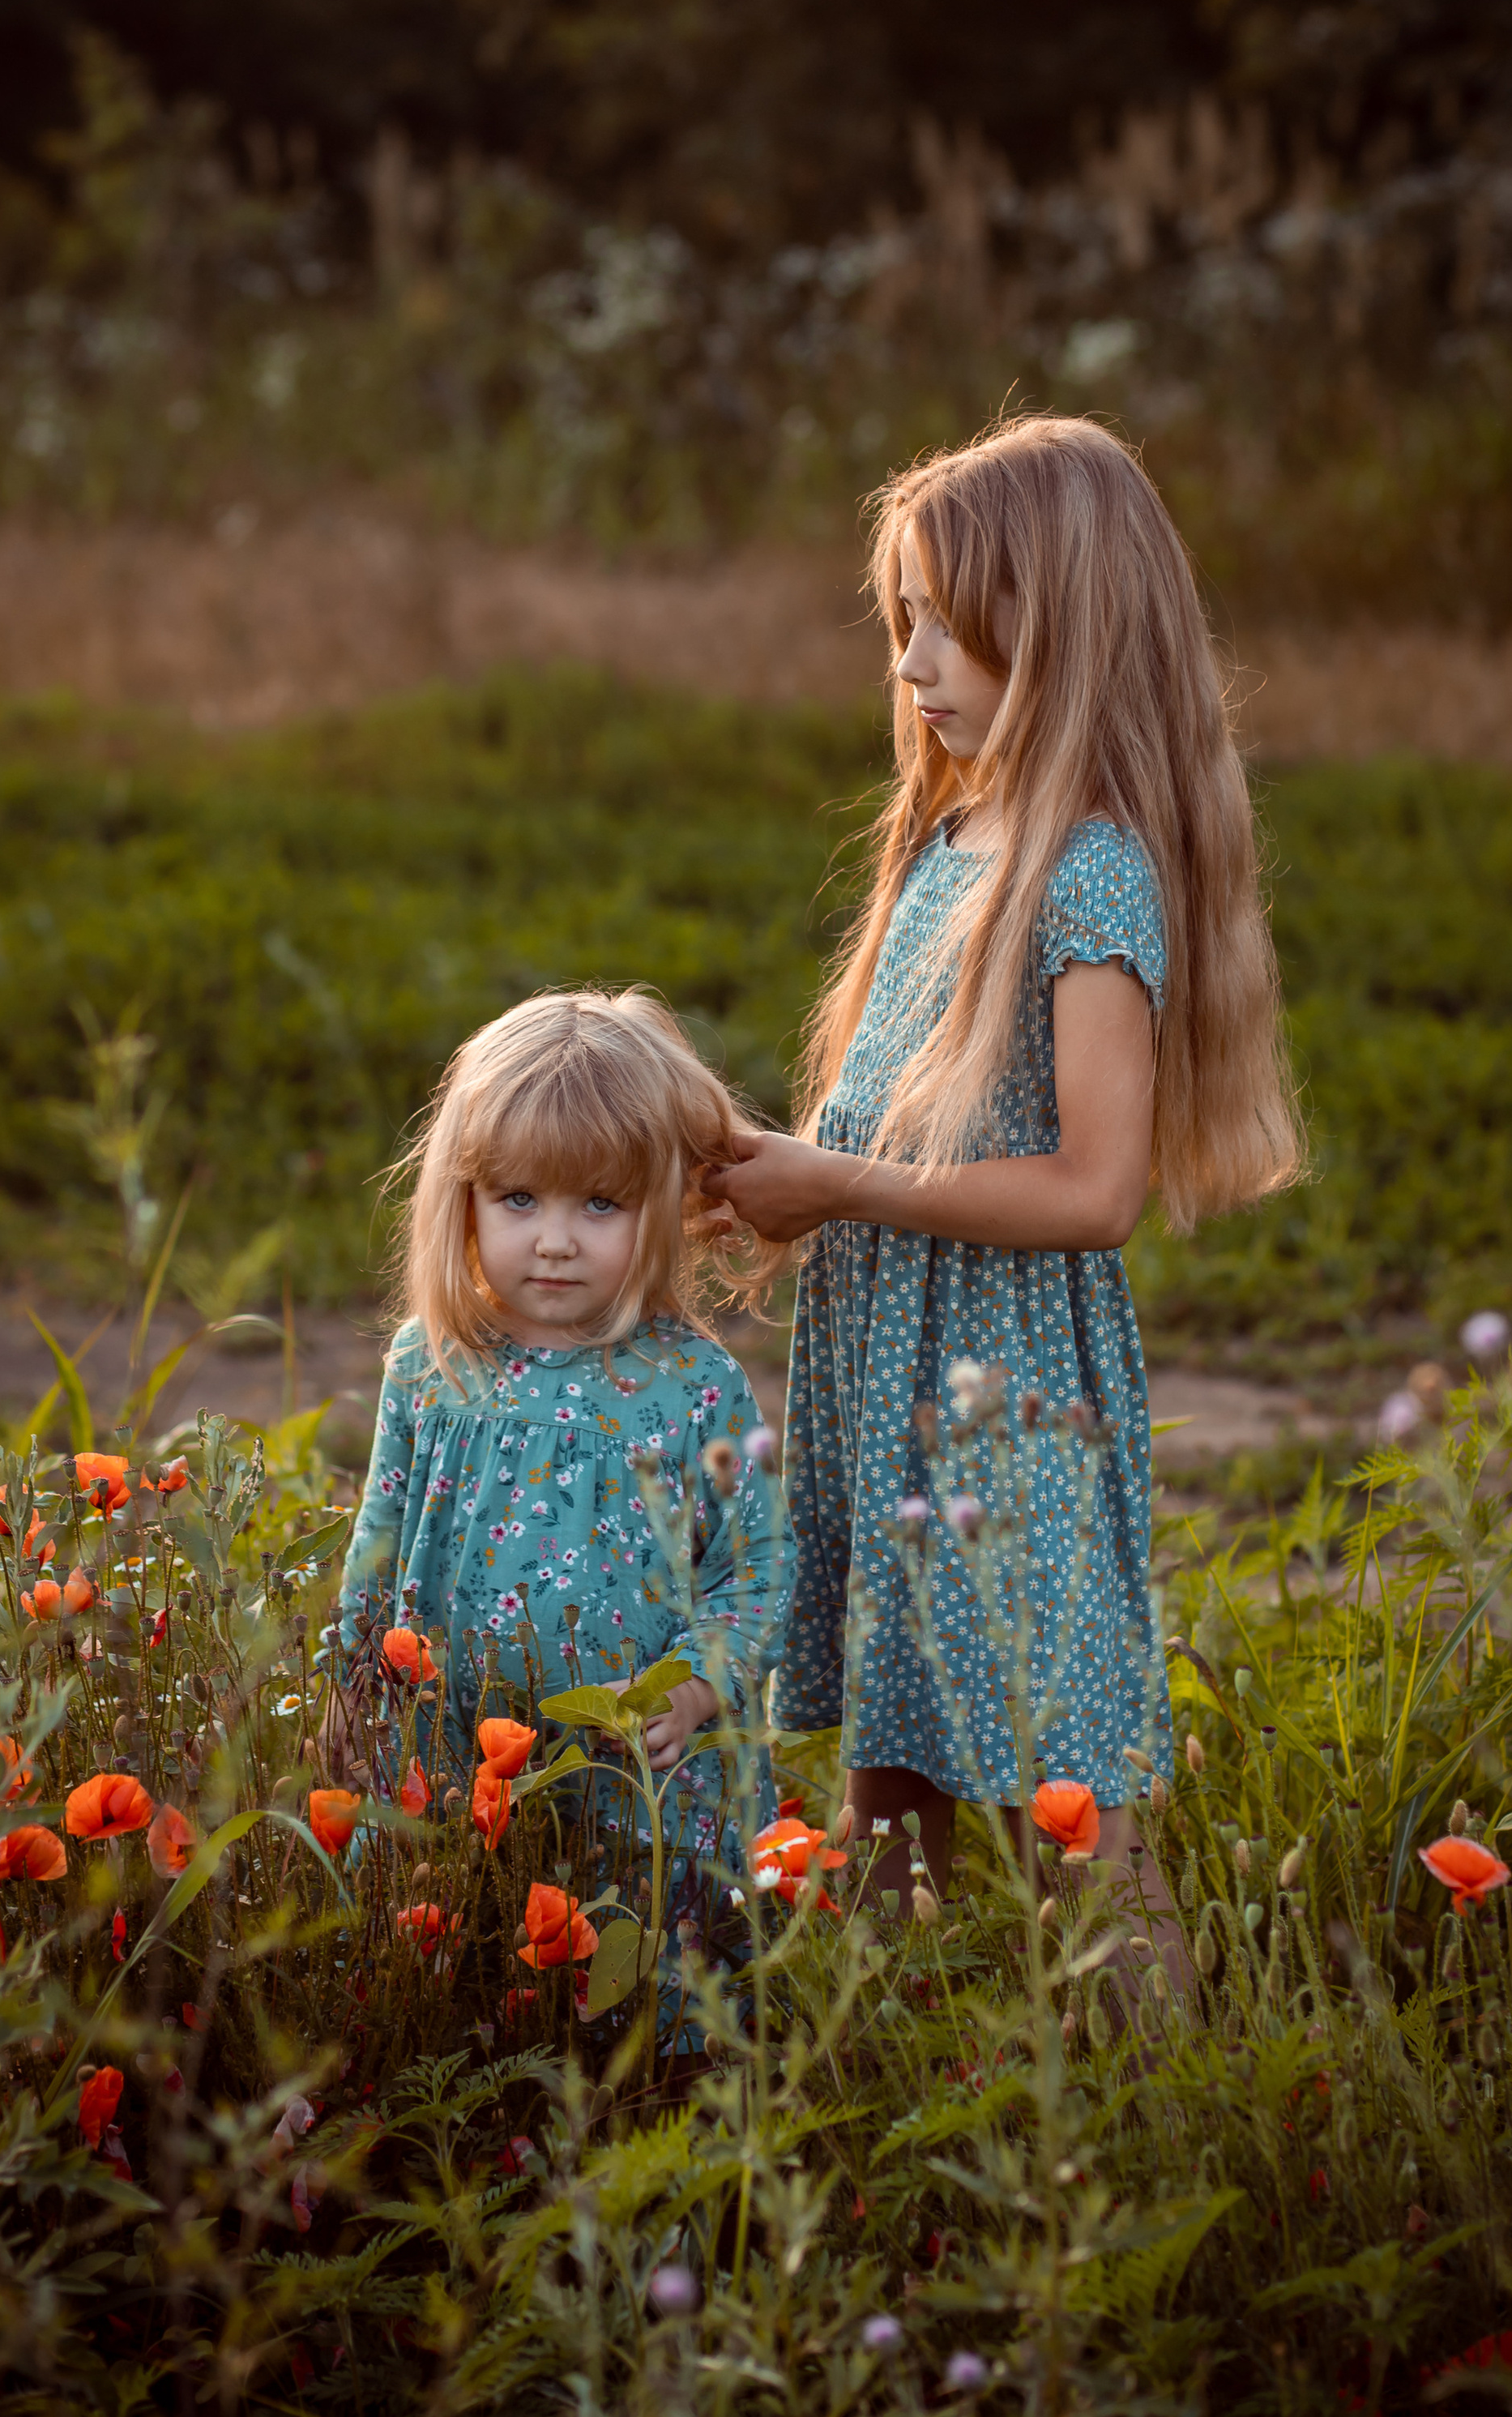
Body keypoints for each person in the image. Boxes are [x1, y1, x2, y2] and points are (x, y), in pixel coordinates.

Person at [707, 414, 1302, 1942]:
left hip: (1004, 1399)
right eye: (897, 624)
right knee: (889, 1783)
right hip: (887, 1373)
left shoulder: (1090, 866)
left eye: (938, 626)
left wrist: (834, 1188)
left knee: (1071, 1810)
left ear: (1052, 624)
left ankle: (1170, 2112)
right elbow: (905, 1134)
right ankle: (900, 2121)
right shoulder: (951, 841)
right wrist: (771, 1184)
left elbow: (1091, 1191)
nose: (905, 667)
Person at [330, 988, 793, 1930]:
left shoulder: (694, 1385)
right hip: (453, 1740)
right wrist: (350, 1684)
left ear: (663, 1204)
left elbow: (757, 1571)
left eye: (600, 1202)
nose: (553, 1239)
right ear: (462, 1197)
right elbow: (377, 1542)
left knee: (634, 1946)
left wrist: (698, 1688)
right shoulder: (433, 1362)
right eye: (518, 1197)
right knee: (464, 1933)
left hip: (637, 1758)